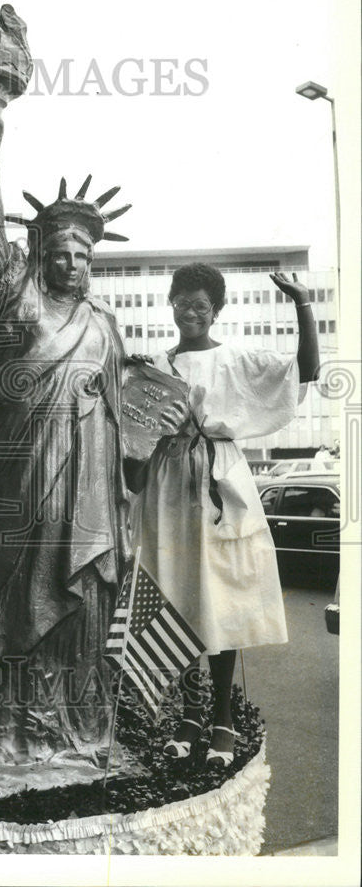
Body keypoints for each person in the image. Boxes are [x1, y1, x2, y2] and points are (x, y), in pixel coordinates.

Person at [0, 88, 138, 786]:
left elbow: (129, 419)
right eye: (58, 253)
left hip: (88, 493)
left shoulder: (105, 326)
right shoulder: (15, 297)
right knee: (9, 602)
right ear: (39, 253)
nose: (71, 265)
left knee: (81, 604)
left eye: (82, 256)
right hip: (22, 484)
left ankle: (75, 731)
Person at [130, 262, 319, 768]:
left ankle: (221, 718)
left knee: (223, 600)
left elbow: (308, 369)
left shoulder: (235, 359)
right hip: (167, 483)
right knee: (178, 597)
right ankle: (188, 716)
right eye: (182, 302)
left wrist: (302, 302)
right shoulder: (155, 364)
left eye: (201, 306)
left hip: (217, 480)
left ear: (216, 312)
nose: (190, 313)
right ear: (169, 304)